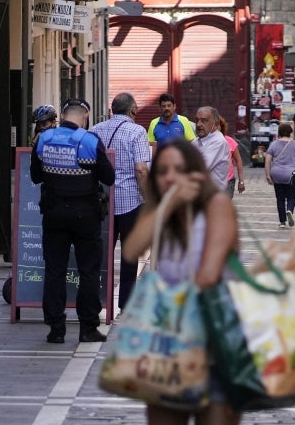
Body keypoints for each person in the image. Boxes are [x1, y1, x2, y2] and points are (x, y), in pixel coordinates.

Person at [121, 139, 241, 425]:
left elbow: (209, 275)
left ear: (195, 172)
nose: (170, 177)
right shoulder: (164, 212)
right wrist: (167, 205)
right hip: (169, 345)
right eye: (162, 171)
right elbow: (131, 250)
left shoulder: (217, 205)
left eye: (178, 169)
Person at [31, 98, 115, 344]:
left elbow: (36, 176)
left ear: (63, 116)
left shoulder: (44, 140)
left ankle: (56, 329)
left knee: (54, 271)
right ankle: (88, 328)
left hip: (54, 214)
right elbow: (108, 178)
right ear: (85, 117)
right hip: (85, 216)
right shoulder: (90, 141)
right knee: (88, 271)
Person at [89, 93, 150, 312]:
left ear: (112, 109)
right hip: (129, 202)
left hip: (100, 202)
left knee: (99, 252)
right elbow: (141, 169)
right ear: (133, 110)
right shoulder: (137, 131)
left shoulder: (95, 130)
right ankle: (126, 302)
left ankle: (95, 301)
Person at [265, 123, 295, 228]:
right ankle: (290, 211)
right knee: (291, 196)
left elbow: (268, 161)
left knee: (280, 198)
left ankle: (282, 222)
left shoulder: (273, 144)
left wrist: (268, 175)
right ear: (290, 132)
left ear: (279, 132)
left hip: (277, 173)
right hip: (291, 174)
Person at [192, 106, 231, 191]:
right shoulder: (196, 142)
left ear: (216, 125)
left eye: (204, 120)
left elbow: (200, 168)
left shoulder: (218, 142)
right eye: (197, 120)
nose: (198, 124)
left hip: (212, 199)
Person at [218, 116, 245, 197]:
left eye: (217, 125)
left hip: (228, 180)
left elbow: (238, 161)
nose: (215, 128)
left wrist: (241, 181)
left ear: (221, 127)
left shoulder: (230, 141)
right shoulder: (204, 142)